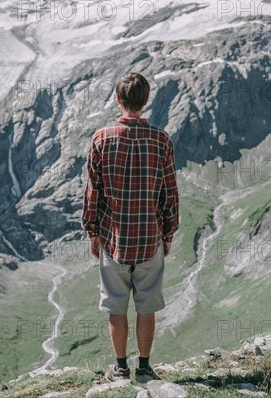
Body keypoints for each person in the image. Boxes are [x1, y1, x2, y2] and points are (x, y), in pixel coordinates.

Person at [81, 72, 180, 382]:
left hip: (114, 240)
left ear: (118, 99)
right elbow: (169, 192)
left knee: (117, 308)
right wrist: (167, 233)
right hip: (150, 238)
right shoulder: (161, 139)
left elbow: (93, 190)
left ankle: (121, 367)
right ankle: (146, 368)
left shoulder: (101, 138)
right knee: (146, 307)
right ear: (146, 100)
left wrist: (92, 230)